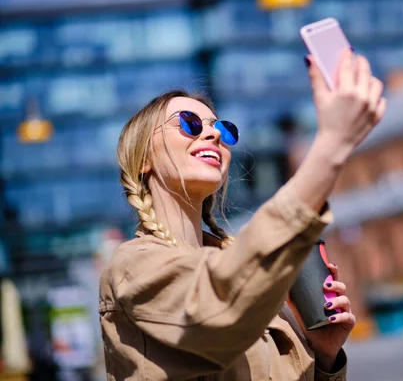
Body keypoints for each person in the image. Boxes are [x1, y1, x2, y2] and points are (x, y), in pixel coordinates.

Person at [99, 48, 386, 380]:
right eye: (189, 124)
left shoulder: (247, 269)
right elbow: (217, 312)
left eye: (222, 128)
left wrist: (324, 355)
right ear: (144, 158)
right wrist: (330, 146)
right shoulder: (132, 267)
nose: (213, 135)